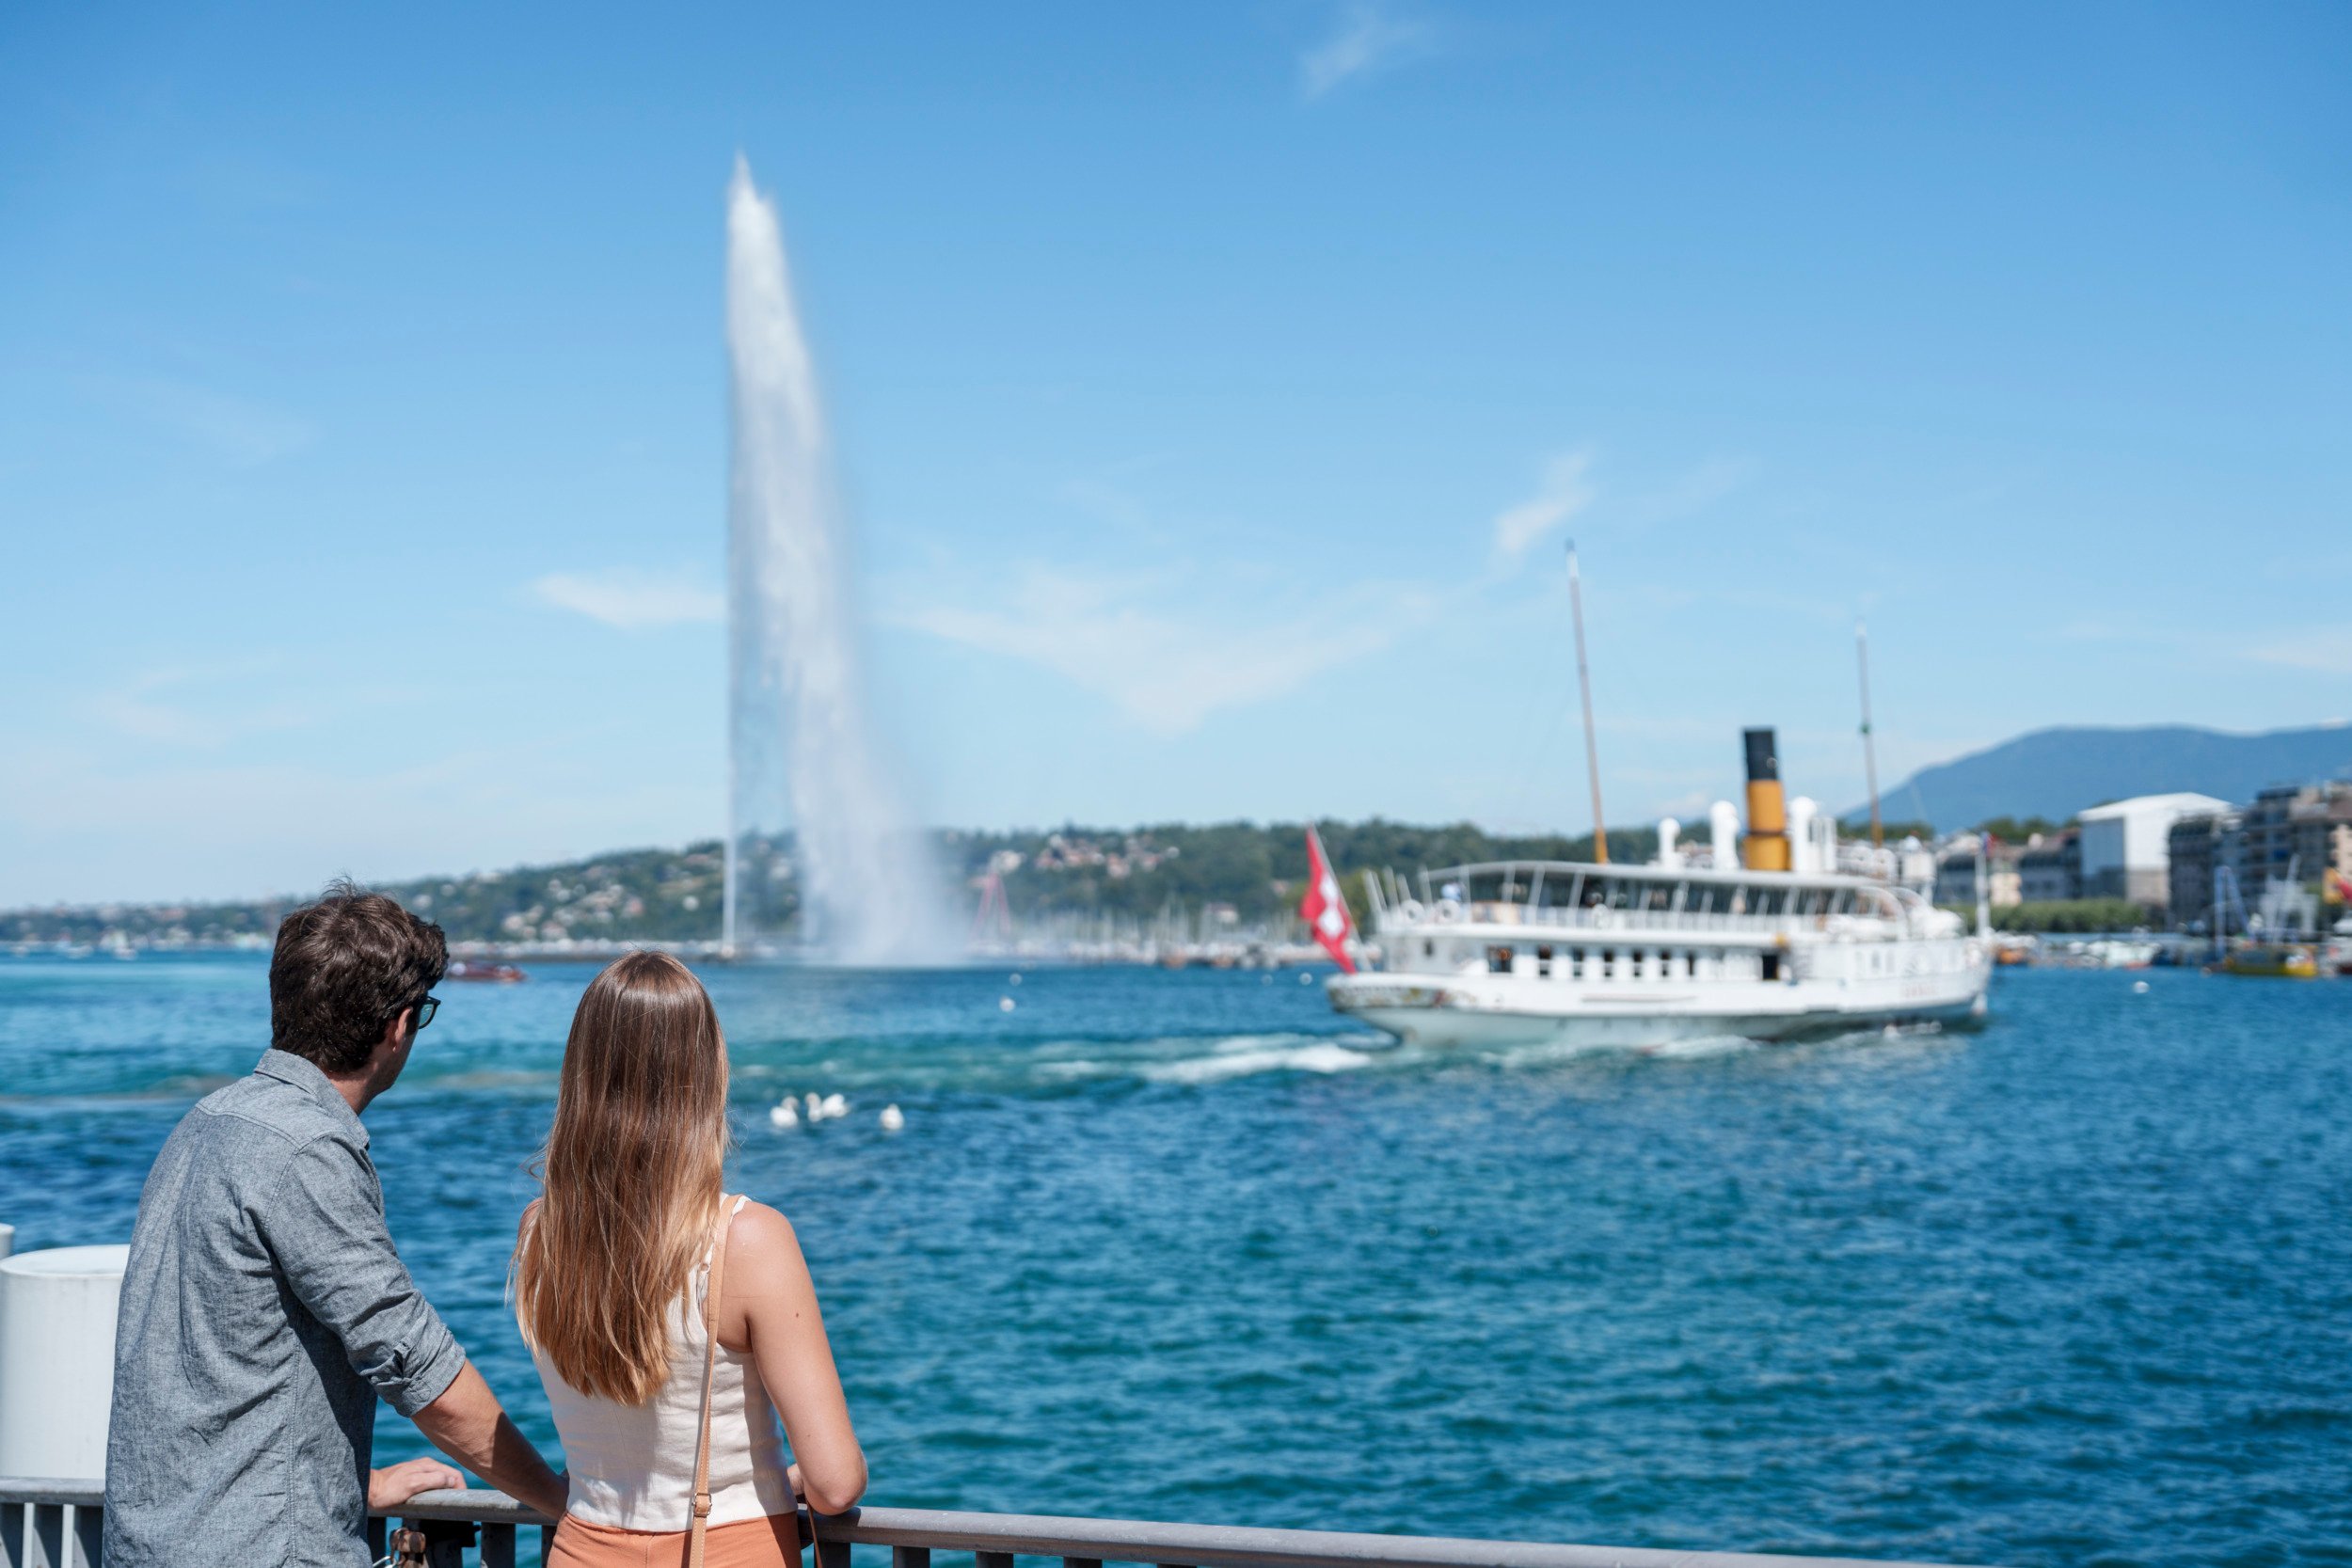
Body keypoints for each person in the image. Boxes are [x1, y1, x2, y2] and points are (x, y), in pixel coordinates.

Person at [104, 882, 568, 1568]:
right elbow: (411, 1356)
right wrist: (564, 1503)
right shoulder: (306, 1147)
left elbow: (206, 1359)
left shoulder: (207, 1122)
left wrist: (345, 1485)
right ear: (400, 1024)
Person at [514, 951, 866, 1568]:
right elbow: (836, 1483)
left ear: (583, 1071)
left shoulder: (541, 1229)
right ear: (706, 1073)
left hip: (579, 1547)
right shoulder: (748, 1237)